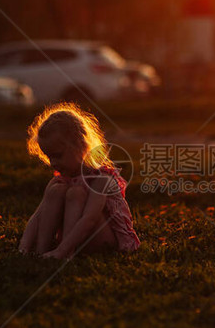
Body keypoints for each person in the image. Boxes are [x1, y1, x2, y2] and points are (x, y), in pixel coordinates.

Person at [18, 103, 140, 259]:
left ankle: (65, 252)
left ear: (81, 146)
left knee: (76, 193)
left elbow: (90, 219)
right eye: (49, 157)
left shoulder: (101, 180)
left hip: (105, 239)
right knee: (55, 190)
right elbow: (38, 215)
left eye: (58, 155)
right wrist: (24, 246)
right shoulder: (60, 180)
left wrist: (62, 250)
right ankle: (42, 251)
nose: (53, 163)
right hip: (75, 239)